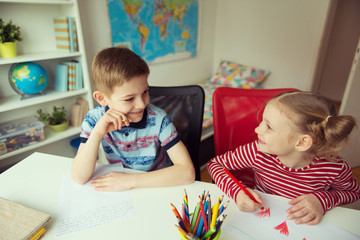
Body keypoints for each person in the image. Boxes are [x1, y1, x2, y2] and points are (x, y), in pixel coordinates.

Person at [207, 90, 360, 226]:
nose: (257, 129)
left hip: (301, 226)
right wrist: (237, 191)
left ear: (301, 142)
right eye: (262, 122)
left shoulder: (333, 167)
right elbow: (215, 165)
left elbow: (353, 192)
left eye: (269, 127)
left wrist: (322, 200)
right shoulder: (256, 152)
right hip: (259, 220)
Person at [71, 46, 195, 191]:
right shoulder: (94, 120)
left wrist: (129, 180)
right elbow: (79, 177)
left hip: (157, 184)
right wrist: (98, 133)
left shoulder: (159, 119)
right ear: (101, 98)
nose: (142, 104)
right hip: (122, 187)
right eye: (129, 99)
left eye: (145, 92)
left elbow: (187, 173)